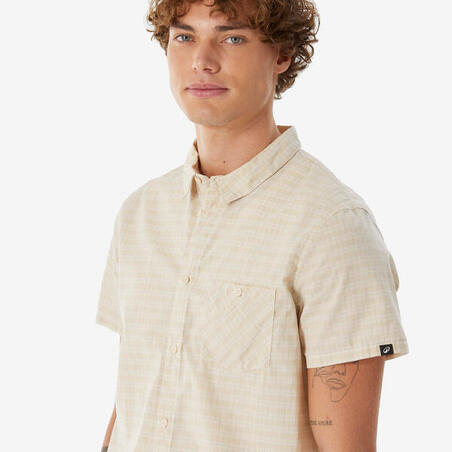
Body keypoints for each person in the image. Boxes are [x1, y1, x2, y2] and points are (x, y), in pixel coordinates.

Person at [96, 0, 409, 450]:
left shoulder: (332, 226)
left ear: (281, 53)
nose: (202, 60)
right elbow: (133, 399)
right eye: (184, 36)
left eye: (232, 37)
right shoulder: (140, 214)